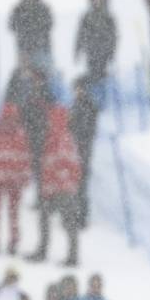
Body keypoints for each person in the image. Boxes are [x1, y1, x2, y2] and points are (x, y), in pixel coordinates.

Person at [26, 104, 82, 266]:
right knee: (58, 221)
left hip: (59, 189)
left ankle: (68, 256)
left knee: (65, 222)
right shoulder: (59, 137)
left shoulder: (60, 139)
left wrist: (54, 184)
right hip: (57, 188)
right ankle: (58, 253)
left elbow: (61, 165)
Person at [0, 104, 32, 255]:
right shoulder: (19, 135)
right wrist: (24, 177)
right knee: (11, 212)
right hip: (12, 180)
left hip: (0, 179)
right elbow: (25, 159)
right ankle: (11, 240)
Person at [68, 80, 99, 229]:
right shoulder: (80, 104)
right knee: (77, 184)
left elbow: (82, 128)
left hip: (82, 149)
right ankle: (77, 216)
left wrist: (72, 128)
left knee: (80, 185)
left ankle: (80, 217)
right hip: (80, 149)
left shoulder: (85, 105)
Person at [74, 0, 117, 84]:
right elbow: (80, 35)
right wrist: (77, 51)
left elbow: (113, 36)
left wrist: (111, 51)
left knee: (104, 77)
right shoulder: (87, 17)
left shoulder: (108, 17)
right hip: (91, 52)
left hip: (104, 53)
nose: (97, 0)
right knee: (93, 76)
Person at [9, 0, 53, 70]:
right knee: (26, 76)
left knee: (45, 74)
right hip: (24, 49)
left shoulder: (42, 7)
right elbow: (11, 25)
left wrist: (35, 31)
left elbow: (49, 24)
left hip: (41, 48)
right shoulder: (19, 8)